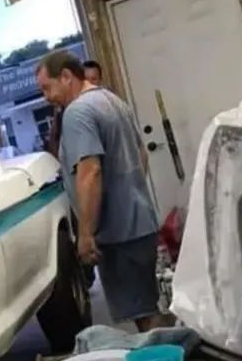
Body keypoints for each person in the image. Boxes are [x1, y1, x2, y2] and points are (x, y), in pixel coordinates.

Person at [35, 49, 163, 332]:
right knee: (146, 305)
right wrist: (128, 190)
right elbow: (141, 154)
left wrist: (86, 233)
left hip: (119, 232)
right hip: (139, 221)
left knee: (145, 315)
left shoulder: (77, 112)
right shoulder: (112, 101)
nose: (46, 97)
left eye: (47, 87)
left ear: (66, 77)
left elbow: (90, 172)